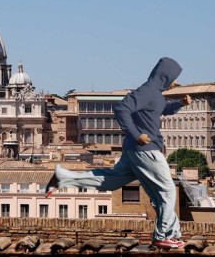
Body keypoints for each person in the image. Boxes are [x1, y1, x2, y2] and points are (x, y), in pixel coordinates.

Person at [45, 57, 191, 249]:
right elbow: (122, 108)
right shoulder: (147, 91)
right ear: (165, 76)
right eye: (173, 78)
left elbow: (160, 109)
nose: (175, 82)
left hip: (134, 151)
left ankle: (64, 178)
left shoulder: (155, 94)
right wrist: (137, 134)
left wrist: (180, 103)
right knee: (167, 190)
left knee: (111, 180)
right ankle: (163, 235)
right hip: (145, 150)